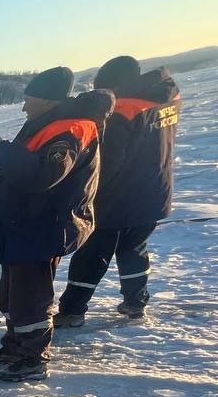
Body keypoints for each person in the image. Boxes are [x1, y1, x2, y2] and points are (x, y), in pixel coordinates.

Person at [0, 67, 113, 381]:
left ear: (48, 100)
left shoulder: (69, 131)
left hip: (40, 228)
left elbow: (43, 175)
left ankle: (32, 359)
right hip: (24, 226)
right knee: (14, 295)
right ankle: (16, 347)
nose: (24, 107)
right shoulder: (49, 124)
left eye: (29, 99)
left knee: (30, 299)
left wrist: (0, 150)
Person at [55, 56, 181, 325]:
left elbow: (108, 161)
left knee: (92, 251)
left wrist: (85, 190)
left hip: (119, 196)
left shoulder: (122, 109)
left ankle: (72, 310)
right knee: (133, 247)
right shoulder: (165, 98)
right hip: (155, 191)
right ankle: (136, 302)